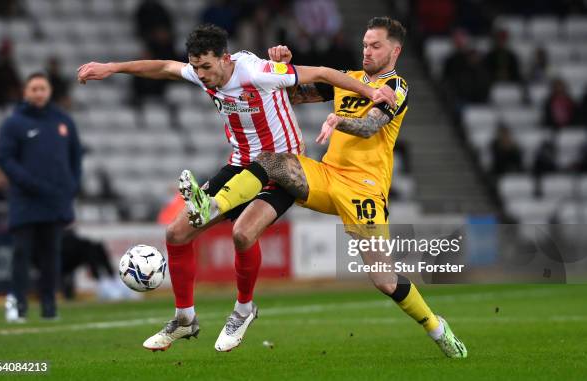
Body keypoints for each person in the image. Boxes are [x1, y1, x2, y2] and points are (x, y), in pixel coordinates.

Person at [77, 24, 393, 352]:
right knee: (176, 233)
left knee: (242, 234)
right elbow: (165, 67)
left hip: (282, 168)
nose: (200, 75)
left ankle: (243, 310)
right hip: (240, 164)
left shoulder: (259, 72)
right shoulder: (203, 72)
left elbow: (325, 73)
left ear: (225, 59)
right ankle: (185, 320)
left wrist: (372, 93)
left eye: (206, 67)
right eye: (196, 67)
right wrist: (112, 67)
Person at [182, 17, 467, 358]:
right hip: (327, 175)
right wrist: (282, 67)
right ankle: (211, 204)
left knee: (385, 280)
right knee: (274, 159)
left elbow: (370, 126)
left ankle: (436, 328)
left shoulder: (397, 87)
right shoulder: (351, 80)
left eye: (375, 46)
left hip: (364, 188)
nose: (367, 51)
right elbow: (294, 95)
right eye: (364, 44)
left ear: (395, 50)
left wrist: (338, 119)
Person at [0, 73, 82, 322]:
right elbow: (5, 158)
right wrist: (28, 183)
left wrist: (73, 184)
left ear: (49, 91)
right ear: (25, 92)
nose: (38, 93)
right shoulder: (14, 123)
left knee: (51, 254)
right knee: (22, 253)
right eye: (33, 88)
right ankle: (17, 304)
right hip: (25, 199)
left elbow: (75, 156)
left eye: (42, 88)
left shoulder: (63, 121)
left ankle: (49, 305)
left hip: (55, 199)